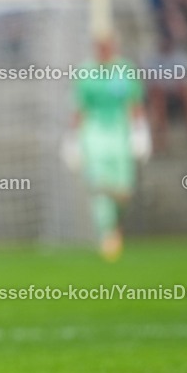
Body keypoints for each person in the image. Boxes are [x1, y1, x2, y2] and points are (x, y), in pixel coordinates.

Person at [63, 35, 150, 262]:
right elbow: (79, 108)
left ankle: (115, 225)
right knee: (100, 183)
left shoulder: (125, 70)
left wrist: (140, 131)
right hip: (94, 132)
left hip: (120, 132)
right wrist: (72, 139)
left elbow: (134, 103)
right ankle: (107, 234)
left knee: (122, 190)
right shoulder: (85, 72)